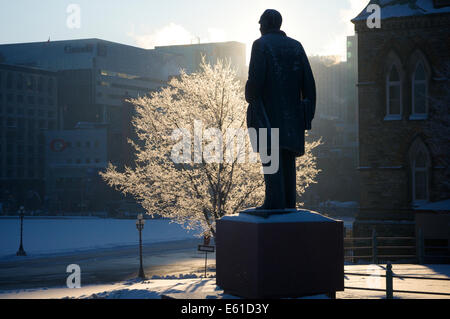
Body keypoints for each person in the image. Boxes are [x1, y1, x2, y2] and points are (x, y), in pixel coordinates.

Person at [245, 9, 316, 210]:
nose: (259, 27)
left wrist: (249, 93)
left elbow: (255, 82)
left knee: (270, 156)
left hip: (268, 115)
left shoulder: (261, 45)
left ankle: (273, 202)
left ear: (267, 24)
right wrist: (306, 115)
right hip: (292, 118)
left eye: (260, 23)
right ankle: (287, 203)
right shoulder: (296, 46)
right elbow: (309, 84)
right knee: (287, 159)